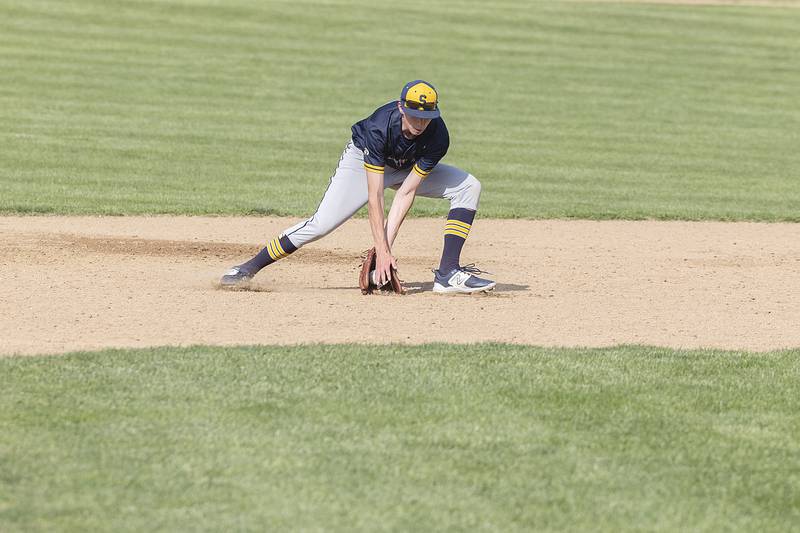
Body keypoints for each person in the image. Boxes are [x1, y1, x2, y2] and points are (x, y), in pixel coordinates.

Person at [220, 80, 495, 294]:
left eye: (427, 117)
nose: (421, 123)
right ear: (401, 108)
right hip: (362, 161)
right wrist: (383, 249)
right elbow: (374, 196)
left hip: (404, 167)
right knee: (322, 224)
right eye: (414, 115)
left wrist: (384, 249)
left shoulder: (438, 136)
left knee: (468, 186)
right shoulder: (380, 127)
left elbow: (406, 192)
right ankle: (248, 268)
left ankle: (447, 274)